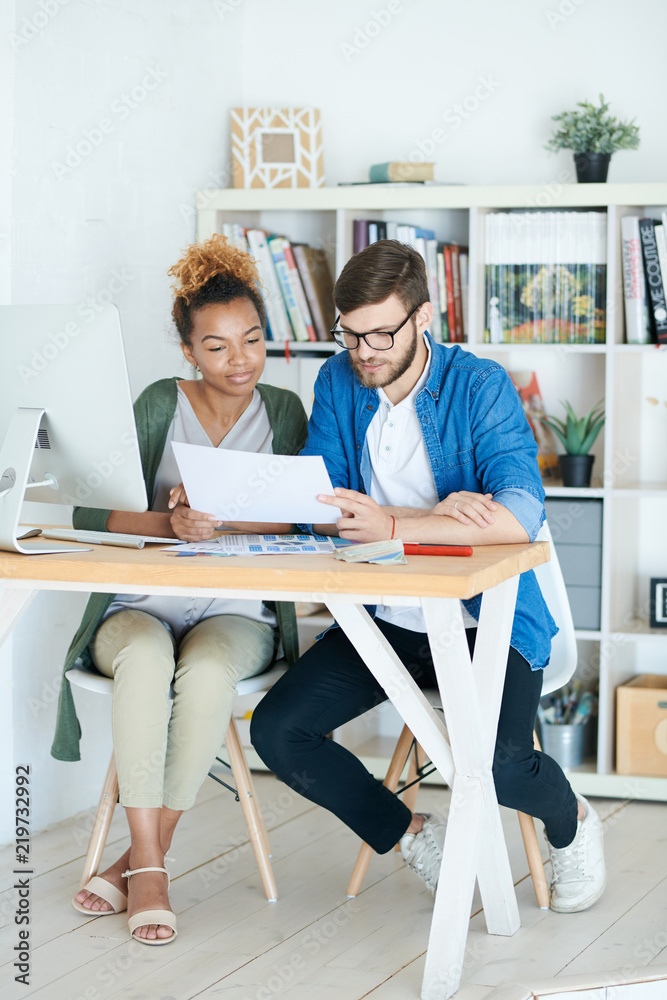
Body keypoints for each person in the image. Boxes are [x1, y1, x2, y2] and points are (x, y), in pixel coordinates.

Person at [251, 239, 605, 913]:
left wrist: (390, 525)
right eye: (349, 334)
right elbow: (317, 504)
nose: (364, 352)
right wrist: (428, 513)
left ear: (423, 317)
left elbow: (518, 516)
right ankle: (410, 832)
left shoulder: (479, 386)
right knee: (278, 731)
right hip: (387, 618)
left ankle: (572, 823)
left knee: (499, 767)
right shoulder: (339, 381)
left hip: (486, 620)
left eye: (381, 332)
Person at [51, 235, 307, 944]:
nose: (240, 361)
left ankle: (140, 860)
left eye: (252, 340)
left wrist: (224, 520)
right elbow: (89, 509)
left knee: (206, 674)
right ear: (189, 352)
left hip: (235, 607)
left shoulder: (285, 411)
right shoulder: (158, 403)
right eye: (217, 347)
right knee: (149, 660)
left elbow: (304, 513)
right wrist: (169, 520)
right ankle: (155, 866)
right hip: (139, 601)